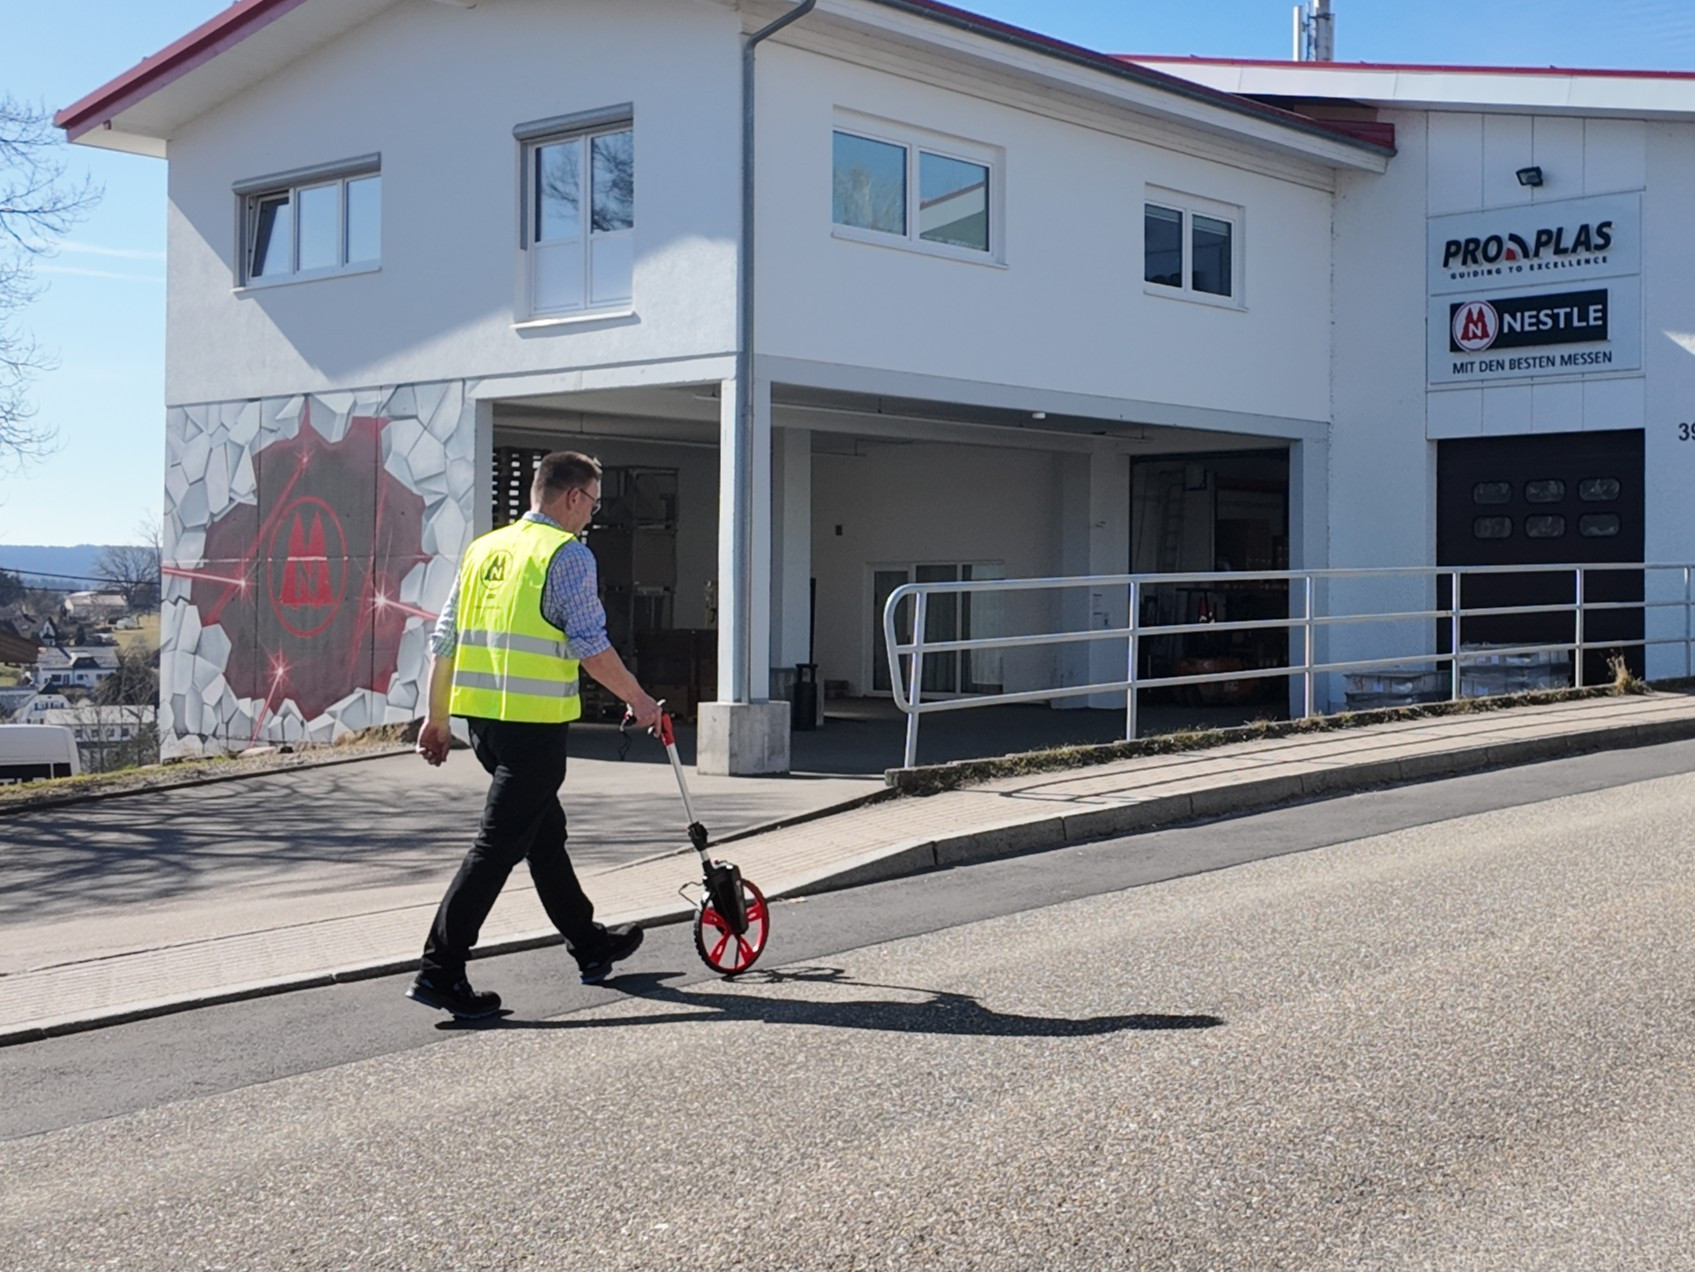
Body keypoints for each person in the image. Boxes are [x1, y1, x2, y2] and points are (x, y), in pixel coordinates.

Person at [408, 450, 661, 1019]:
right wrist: (639, 700)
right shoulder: (566, 555)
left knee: (545, 835)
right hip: (534, 730)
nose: (590, 517)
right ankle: (439, 971)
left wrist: (438, 716)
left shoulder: (485, 549)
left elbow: (444, 640)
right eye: (592, 504)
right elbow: (590, 647)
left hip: (484, 729)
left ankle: (591, 945)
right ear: (573, 497)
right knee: (497, 847)